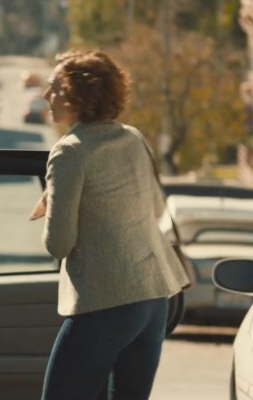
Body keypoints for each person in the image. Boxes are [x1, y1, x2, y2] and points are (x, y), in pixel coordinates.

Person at [34, 50, 191, 400]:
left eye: (54, 88)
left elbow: (58, 244)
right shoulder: (133, 137)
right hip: (154, 300)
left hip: (106, 303)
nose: (47, 96)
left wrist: (56, 201)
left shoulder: (69, 151)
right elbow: (156, 207)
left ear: (80, 96)